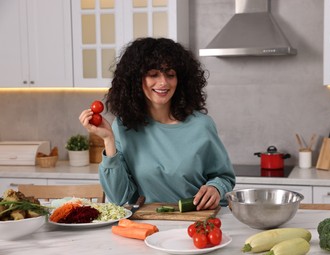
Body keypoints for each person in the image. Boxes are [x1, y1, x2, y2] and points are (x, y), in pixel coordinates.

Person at [79, 37, 235, 210]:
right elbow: (118, 198)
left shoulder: (201, 125)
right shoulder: (124, 127)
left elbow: (224, 177)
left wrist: (216, 188)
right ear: (136, 79)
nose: (163, 83)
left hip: (196, 223)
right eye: (153, 74)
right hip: (146, 225)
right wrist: (108, 140)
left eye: (170, 75)